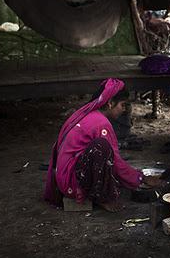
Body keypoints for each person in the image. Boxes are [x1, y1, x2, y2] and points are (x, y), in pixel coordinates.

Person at [44, 78, 161, 211]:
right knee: (102, 147)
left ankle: (100, 191)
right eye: (122, 105)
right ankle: (102, 198)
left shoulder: (90, 114)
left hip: (64, 177)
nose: (124, 109)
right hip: (70, 184)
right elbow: (116, 162)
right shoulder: (101, 123)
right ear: (110, 103)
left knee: (104, 152)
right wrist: (141, 178)